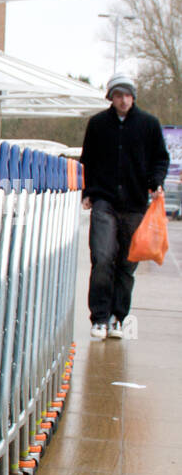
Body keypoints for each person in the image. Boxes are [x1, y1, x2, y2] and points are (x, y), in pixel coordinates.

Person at [79, 74, 171, 340]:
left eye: (128, 95)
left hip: (135, 203)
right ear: (111, 97)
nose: (123, 100)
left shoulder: (149, 124)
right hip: (104, 201)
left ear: (134, 97)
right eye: (118, 95)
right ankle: (99, 318)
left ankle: (118, 317)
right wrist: (88, 193)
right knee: (102, 257)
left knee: (127, 263)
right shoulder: (97, 124)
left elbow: (160, 159)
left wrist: (156, 182)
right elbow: (89, 161)